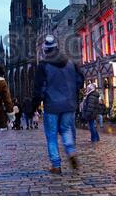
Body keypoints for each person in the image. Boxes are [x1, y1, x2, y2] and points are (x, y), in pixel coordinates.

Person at [33, 35, 84, 174]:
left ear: (45, 50)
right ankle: (71, 151)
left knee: (51, 135)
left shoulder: (43, 66)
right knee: (66, 130)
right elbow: (80, 81)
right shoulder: (71, 63)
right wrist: (72, 92)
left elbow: (38, 88)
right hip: (69, 104)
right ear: (57, 47)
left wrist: (35, 105)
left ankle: (56, 164)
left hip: (51, 106)